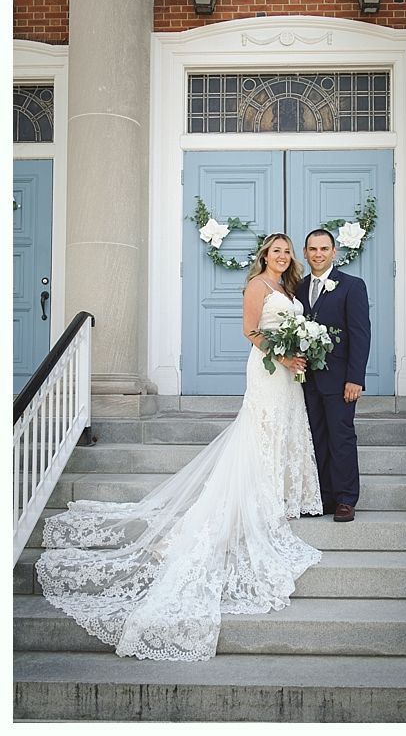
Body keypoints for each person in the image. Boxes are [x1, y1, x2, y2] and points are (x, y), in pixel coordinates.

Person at [35, 234, 323, 661]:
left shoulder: (288, 289)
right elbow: (250, 330)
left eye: (286, 252)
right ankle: (256, 491)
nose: (282, 256)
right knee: (261, 429)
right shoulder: (258, 286)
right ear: (264, 255)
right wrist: (282, 357)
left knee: (284, 427)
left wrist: (298, 353)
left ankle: (283, 488)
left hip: (288, 372)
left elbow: (291, 329)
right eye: (275, 250)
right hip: (267, 370)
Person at [296, 229, 371, 523]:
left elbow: (360, 335)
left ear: (334, 252)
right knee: (316, 437)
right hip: (306, 380)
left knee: (341, 437)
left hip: (341, 379)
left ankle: (345, 499)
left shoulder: (352, 286)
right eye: (312, 249)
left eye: (324, 248)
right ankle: (323, 497)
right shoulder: (299, 288)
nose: (318, 254)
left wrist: (356, 378)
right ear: (305, 253)